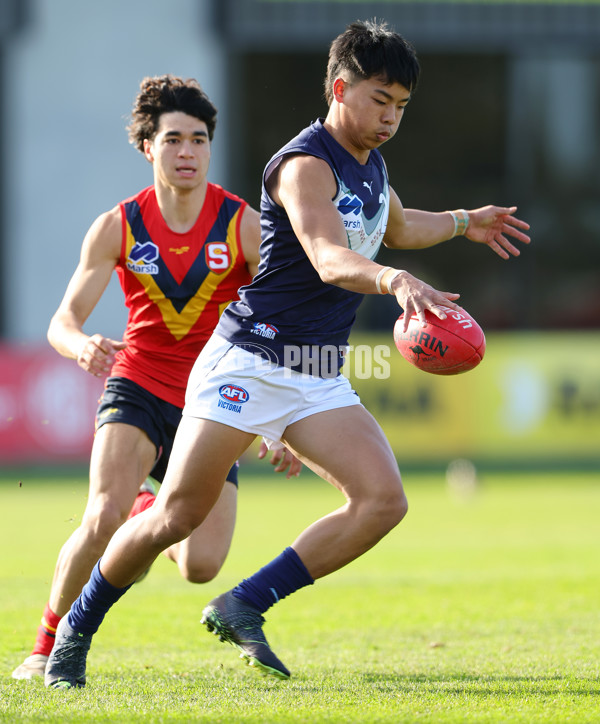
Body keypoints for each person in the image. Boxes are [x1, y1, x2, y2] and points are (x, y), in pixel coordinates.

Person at [44, 20, 531, 688]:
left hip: (317, 374)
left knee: (383, 501)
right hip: (248, 361)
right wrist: (391, 278)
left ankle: (246, 602)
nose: (390, 117)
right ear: (340, 87)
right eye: (379, 99)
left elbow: (395, 223)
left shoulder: (370, 163)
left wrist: (460, 223)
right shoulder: (304, 164)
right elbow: (330, 257)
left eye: (401, 106)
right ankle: (73, 634)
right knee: (176, 517)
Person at [12, 75, 300, 681]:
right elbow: (62, 322)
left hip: (217, 399)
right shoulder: (117, 226)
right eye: (173, 140)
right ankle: (43, 647)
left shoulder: (244, 225)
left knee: (200, 566)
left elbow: (280, 321)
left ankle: (153, 505)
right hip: (137, 383)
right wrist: (81, 344)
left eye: (199, 140)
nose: (188, 152)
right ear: (149, 147)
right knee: (102, 517)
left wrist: (278, 420)